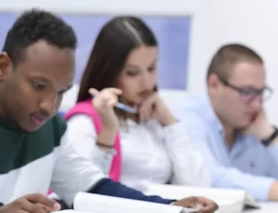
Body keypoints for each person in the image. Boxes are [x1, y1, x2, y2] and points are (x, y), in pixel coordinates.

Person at [0, 9, 221, 213]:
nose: (50, 105)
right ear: (4, 66)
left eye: (61, 92)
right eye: (39, 86)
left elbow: (92, 189)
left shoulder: (48, 124)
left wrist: (171, 210)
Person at [175, 43, 278, 207]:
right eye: (246, 92)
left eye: (260, 93)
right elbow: (209, 178)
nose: (256, 105)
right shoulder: (186, 117)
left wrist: (271, 137)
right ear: (214, 84)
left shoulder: (253, 126)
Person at [63, 16, 211, 192]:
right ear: (109, 71)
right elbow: (81, 192)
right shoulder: (84, 122)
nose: (147, 82)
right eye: (133, 73)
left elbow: (199, 186)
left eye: (151, 68)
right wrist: (108, 132)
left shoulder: (154, 118)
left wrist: (170, 122)